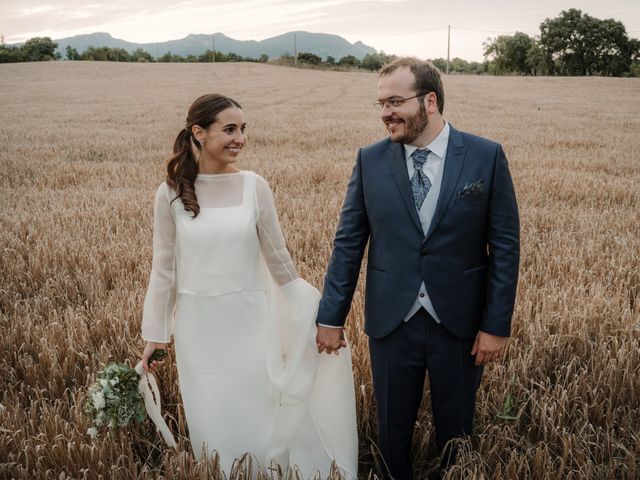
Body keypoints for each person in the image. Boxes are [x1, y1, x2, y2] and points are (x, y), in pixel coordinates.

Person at [315, 58, 520, 479]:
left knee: (457, 431)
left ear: (430, 100)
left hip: (460, 324)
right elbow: (349, 243)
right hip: (392, 323)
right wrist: (330, 317)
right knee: (391, 432)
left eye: (394, 101)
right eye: (380, 103)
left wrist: (496, 324)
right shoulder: (369, 160)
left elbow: (504, 247)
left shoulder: (485, 156)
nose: (385, 112)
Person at [139, 93, 358, 478]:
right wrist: (156, 333)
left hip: (249, 323)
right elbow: (164, 269)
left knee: (257, 410)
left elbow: (280, 260)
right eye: (229, 129)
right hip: (199, 327)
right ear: (199, 132)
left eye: (243, 129)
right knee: (212, 413)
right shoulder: (170, 193)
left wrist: (317, 312)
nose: (240, 138)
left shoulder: (253, 186)